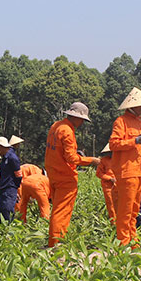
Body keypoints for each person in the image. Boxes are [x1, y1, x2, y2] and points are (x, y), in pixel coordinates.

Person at [44, 102, 99, 248]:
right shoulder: (67, 131)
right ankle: (56, 243)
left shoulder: (55, 126)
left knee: (56, 209)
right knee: (61, 211)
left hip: (53, 173)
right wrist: (92, 161)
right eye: (82, 120)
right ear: (76, 117)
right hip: (65, 176)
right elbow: (72, 158)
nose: (81, 123)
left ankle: (54, 241)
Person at [109, 87, 141, 247]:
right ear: (132, 106)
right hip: (127, 171)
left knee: (135, 209)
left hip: (140, 171)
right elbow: (114, 144)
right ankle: (123, 241)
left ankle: (133, 239)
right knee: (125, 210)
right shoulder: (121, 121)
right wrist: (134, 141)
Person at [0, 137, 22, 223]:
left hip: (9, 189)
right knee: (2, 213)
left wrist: (14, 188)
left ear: (1, 147)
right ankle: (3, 233)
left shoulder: (12, 158)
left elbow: (18, 175)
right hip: (3, 189)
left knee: (7, 212)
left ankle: (8, 233)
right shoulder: (5, 158)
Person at [95, 145, 117, 224]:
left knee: (121, 205)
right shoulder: (103, 161)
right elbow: (98, 173)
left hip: (119, 185)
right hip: (108, 186)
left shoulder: (120, 159)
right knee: (111, 204)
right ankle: (113, 223)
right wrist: (110, 178)